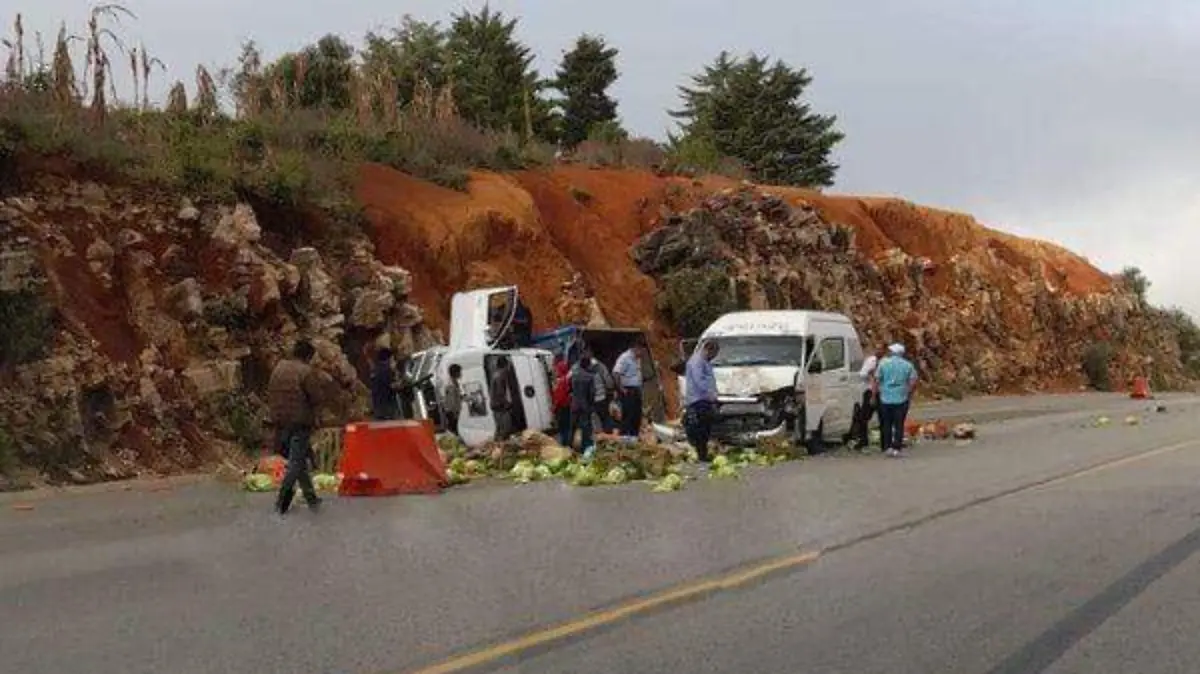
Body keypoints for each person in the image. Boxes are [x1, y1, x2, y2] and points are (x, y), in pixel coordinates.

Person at [267, 339, 330, 515]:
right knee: (296, 461)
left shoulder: (279, 368)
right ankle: (283, 499)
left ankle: (311, 497)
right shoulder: (306, 372)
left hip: (280, 420)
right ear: (308, 356)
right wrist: (318, 418)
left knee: (299, 458)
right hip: (300, 421)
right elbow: (316, 397)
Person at [874, 342, 919, 457]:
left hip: (885, 397)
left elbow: (877, 380)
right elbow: (913, 381)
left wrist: (874, 395)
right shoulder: (908, 365)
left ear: (892, 352)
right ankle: (897, 448)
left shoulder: (883, 364)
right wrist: (909, 392)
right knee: (899, 424)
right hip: (901, 397)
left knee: (886, 423)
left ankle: (887, 447)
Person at [684, 340, 720, 462]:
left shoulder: (705, 361)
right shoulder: (697, 362)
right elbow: (699, 381)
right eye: (713, 354)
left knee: (706, 427)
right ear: (708, 350)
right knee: (701, 428)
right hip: (698, 399)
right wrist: (710, 394)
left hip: (705, 399)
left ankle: (703, 453)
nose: (713, 357)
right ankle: (701, 454)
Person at [851, 345, 885, 450]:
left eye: (881, 349)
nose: (878, 351)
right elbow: (862, 374)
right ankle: (863, 441)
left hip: (883, 393)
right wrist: (870, 373)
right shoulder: (871, 360)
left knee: (883, 419)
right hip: (870, 391)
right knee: (863, 418)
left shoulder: (887, 362)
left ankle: (885, 443)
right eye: (877, 348)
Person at [613, 340, 646, 437]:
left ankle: (634, 437)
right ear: (636, 348)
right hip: (628, 391)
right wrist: (621, 388)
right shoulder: (625, 357)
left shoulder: (637, 359)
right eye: (642, 351)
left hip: (636, 390)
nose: (642, 354)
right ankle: (625, 438)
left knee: (637, 416)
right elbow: (616, 373)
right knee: (628, 417)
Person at [570, 354, 598, 456]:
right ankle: (585, 449)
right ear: (588, 365)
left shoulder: (574, 375)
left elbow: (571, 389)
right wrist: (591, 405)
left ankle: (569, 447)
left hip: (574, 405)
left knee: (572, 427)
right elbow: (592, 394)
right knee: (586, 428)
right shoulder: (589, 377)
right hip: (585, 406)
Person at [588, 351, 617, 434]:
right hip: (602, 398)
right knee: (606, 418)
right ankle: (609, 437)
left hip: (591, 400)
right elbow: (608, 380)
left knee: (596, 422)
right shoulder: (600, 366)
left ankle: (601, 439)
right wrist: (611, 389)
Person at [369, 347, 400, 421]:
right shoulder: (387, 370)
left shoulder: (376, 370)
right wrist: (397, 376)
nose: (394, 361)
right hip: (387, 408)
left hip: (377, 407)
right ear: (389, 359)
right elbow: (393, 386)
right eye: (392, 359)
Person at [489, 356, 515, 441]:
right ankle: (500, 445)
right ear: (505, 365)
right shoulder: (501, 375)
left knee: (500, 427)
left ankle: (496, 444)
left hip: (495, 405)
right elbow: (500, 392)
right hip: (500, 406)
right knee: (506, 427)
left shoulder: (495, 374)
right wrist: (507, 404)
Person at [551, 355, 572, 447]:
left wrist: (554, 408)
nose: (554, 371)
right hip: (566, 407)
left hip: (562, 408)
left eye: (556, 370)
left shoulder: (561, 381)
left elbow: (559, 397)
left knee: (564, 429)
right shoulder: (566, 380)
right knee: (567, 427)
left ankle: (566, 445)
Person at [442, 363, 464, 437]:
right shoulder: (450, 385)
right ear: (455, 373)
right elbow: (451, 401)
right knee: (456, 431)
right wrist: (455, 413)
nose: (461, 374)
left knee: (457, 431)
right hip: (452, 412)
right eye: (459, 372)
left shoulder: (455, 383)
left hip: (454, 411)